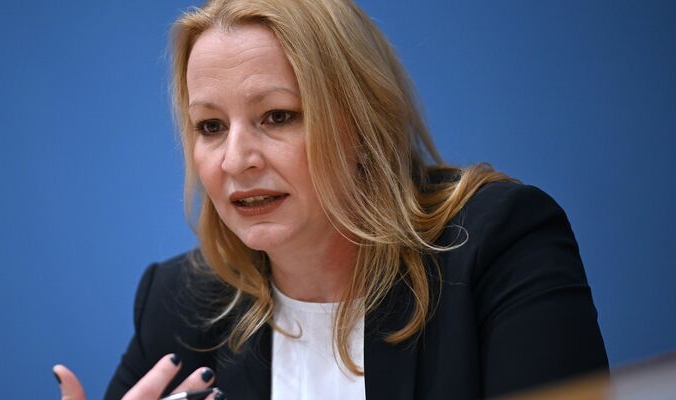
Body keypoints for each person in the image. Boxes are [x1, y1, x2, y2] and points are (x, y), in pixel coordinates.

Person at [54, 0, 609, 399]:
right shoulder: (179, 303)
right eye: (211, 126)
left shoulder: (498, 244)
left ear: (362, 127)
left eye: (278, 117)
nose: (235, 160)